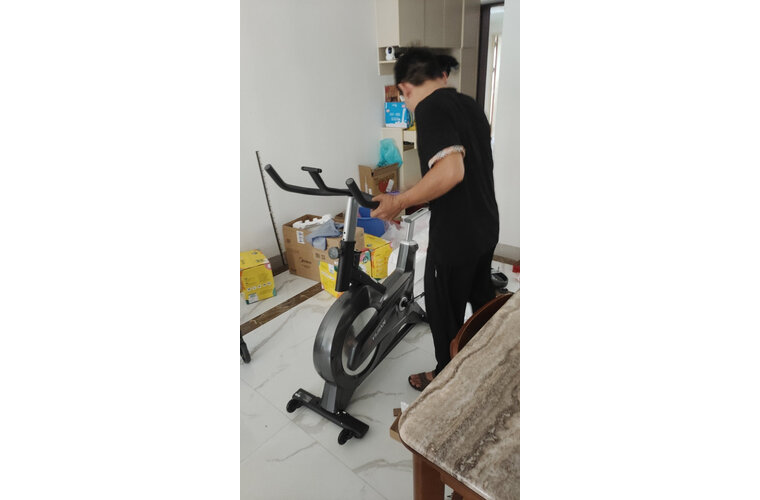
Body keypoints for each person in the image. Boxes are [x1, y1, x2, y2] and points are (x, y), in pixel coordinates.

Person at [370, 48, 500, 391]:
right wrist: (411, 195)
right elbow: (460, 170)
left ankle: (448, 378)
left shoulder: (430, 108)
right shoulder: (469, 105)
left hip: (456, 236)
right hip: (486, 225)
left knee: (443, 310)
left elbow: (451, 171)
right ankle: (492, 361)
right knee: (481, 298)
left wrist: (400, 201)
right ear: (442, 76)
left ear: (404, 89)